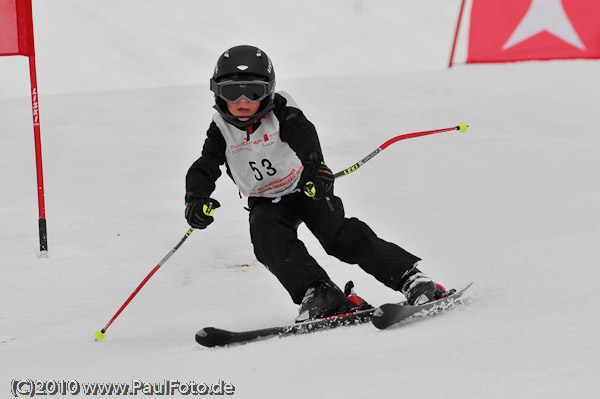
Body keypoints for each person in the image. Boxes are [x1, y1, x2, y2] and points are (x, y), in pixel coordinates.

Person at [185, 45, 447, 322]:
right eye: (230, 91)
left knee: (339, 236)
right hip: (265, 200)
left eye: (253, 91)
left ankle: (411, 278)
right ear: (216, 92)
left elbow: (304, 135)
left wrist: (316, 168)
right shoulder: (220, 129)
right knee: (268, 241)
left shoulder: (282, 111)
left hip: (306, 186)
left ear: (268, 91)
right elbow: (205, 166)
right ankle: (320, 292)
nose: (242, 101)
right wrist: (196, 198)